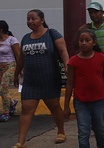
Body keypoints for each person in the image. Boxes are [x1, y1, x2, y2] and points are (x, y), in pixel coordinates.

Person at [12, 9, 69, 148]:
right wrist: (16, 73)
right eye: (28, 19)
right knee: (26, 109)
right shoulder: (26, 38)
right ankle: (21, 141)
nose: (30, 21)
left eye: (33, 18)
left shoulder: (51, 33)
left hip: (49, 79)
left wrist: (68, 66)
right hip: (31, 82)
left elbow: (63, 50)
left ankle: (61, 131)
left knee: (54, 107)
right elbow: (21, 59)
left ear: (42, 20)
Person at [0, 20, 20, 122]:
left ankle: (5, 113)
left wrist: (20, 69)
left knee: (3, 88)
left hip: (10, 66)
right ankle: (12, 103)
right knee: (1, 90)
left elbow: (18, 55)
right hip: (0, 67)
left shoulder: (12, 40)